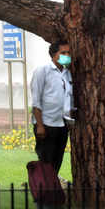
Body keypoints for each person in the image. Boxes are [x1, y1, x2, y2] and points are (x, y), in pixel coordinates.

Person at [30, 40, 75, 174]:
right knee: (46, 162)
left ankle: (51, 190)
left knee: (57, 162)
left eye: (68, 52)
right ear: (53, 55)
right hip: (46, 125)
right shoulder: (42, 71)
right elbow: (36, 100)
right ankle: (43, 191)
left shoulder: (67, 73)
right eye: (63, 53)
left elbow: (67, 98)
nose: (67, 55)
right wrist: (40, 125)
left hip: (62, 125)